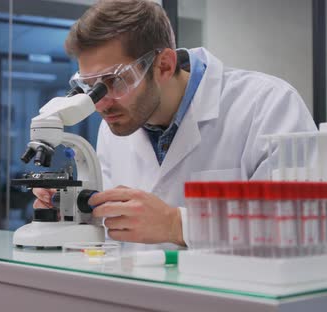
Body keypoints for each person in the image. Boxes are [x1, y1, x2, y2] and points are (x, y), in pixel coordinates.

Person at [33, 0, 316, 250]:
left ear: (165, 65)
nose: (100, 103)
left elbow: (304, 223)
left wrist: (177, 225)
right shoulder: (114, 125)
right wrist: (73, 213)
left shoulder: (267, 104)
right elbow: (113, 234)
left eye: (114, 80)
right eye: (89, 87)